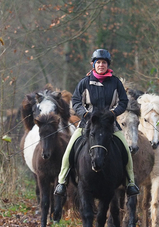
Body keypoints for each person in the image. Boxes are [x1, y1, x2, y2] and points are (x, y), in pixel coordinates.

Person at [54, 49, 140, 197]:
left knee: (125, 150)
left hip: (110, 124)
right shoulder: (84, 82)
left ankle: (130, 183)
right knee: (69, 150)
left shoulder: (115, 82)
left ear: (108, 65)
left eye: (104, 62)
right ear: (93, 64)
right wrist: (85, 114)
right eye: (98, 62)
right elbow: (75, 101)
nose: (101, 65)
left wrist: (113, 113)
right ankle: (62, 182)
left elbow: (123, 101)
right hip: (88, 124)